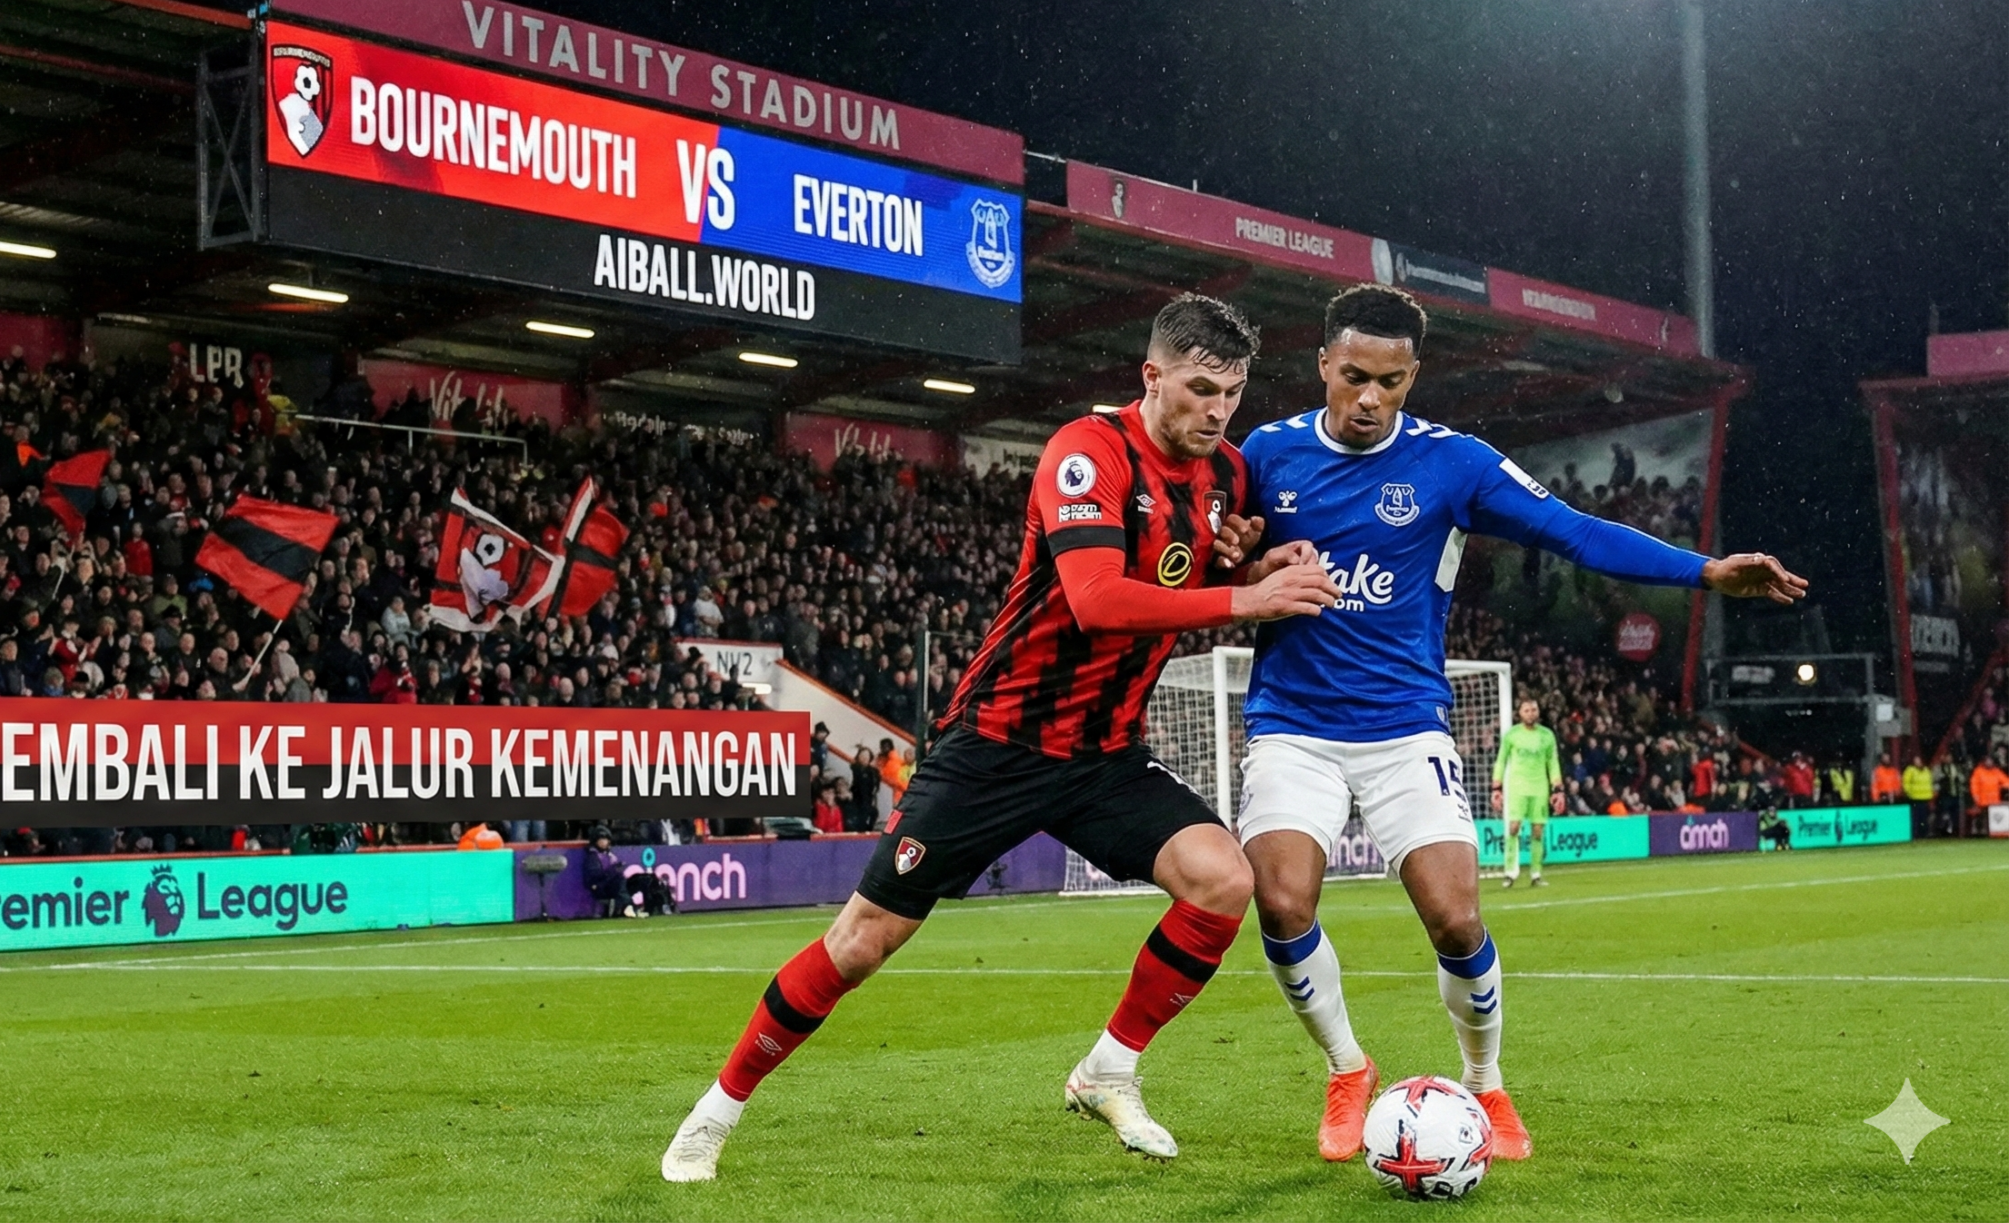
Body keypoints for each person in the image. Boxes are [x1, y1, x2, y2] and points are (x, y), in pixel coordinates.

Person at [661, 295, 1342, 1181]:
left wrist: (1254, 562)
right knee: (861, 943)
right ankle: (714, 1113)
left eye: (1233, 393)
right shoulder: (1085, 453)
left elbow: (1192, 563)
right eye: (1200, 389)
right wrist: (1246, 596)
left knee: (1223, 881)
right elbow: (1097, 598)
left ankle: (1108, 1070)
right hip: (997, 743)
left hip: (1103, 754)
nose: (1218, 411)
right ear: (1152, 376)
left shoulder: (1229, 475)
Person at [1234, 285, 1806, 1164]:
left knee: (1457, 919)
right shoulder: (1265, 453)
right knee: (1280, 902)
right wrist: (1243, 561)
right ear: (1322, 364)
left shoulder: (1454, 464)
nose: (1370, 398)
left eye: (1391, 381)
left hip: (1405, 726)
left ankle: (1486, 1082)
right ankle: (1347, 1068)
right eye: (1353, 377)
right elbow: (1214, 555)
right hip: (1292, 722)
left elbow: (1573, 532)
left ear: (1413, 375)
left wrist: (1704, 571)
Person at [1496, 699, 1560, 888]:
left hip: (1539, 787)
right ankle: (1510, 872)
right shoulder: (1512, 735)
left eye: (1534, 709)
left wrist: (1557, 788)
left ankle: (1536, 873)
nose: (1531, 713)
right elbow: (1501, 760)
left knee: (1538, 831)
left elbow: (1553, 762)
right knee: (1513, 827)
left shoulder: (1547, 735)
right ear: (1520, 713)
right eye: (1527, 710)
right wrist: (1496, 786)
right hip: (1517, 787)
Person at [1900, 753, 1935, 839]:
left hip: (1925, 797)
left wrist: (1931, 794)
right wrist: (1909, 793)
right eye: (1916, 761)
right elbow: (1906, 783)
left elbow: (1930, 783)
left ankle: (1924, 833)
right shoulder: (1910, 771)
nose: (1918, 762)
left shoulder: (1926, 770)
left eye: (1919, 761)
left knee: (1924, 817)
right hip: (1915, 798)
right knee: (1916, 817)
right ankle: (1916, 834)